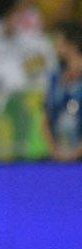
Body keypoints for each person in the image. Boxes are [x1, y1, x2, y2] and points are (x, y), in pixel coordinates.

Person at [44, 24, 82, 162]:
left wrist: (76, 153)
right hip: (59, 157)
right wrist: (55, 151)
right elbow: (46, 119)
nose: (55, 44)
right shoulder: (55, 77)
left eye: (59, 40)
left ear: (72, 44)